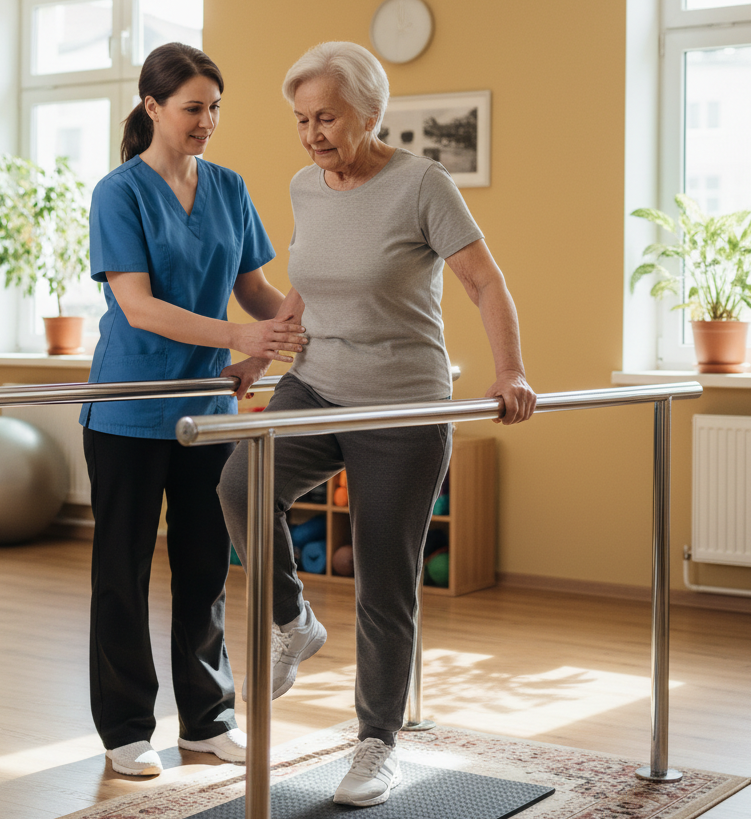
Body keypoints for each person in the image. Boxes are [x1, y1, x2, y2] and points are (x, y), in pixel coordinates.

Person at [217, 42, 536, 807]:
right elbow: (306, 286)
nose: (312, 133)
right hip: (318, 386)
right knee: (238, 484)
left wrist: (510, 371)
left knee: (384, 582)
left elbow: (483, 281)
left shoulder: (422, 184)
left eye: (325, 116)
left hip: (403, 405)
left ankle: (375, 744)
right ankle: (291, 617)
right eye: (301, 119)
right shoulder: (304, 186)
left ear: (369, 112)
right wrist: (262, 357)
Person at [80, 42, 307, 777]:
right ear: (152, 108)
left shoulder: (231, 188)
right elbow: (138, 306)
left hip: (207, 409)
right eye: (192, 108)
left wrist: (292, 332)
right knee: (122, 570)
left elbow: (257, 294)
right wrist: (240, 335)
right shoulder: (119, 192)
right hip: (129, 408)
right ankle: (124, 726)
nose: (207, 121)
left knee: (206, 565)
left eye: (214, 108)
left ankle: (208, 719)